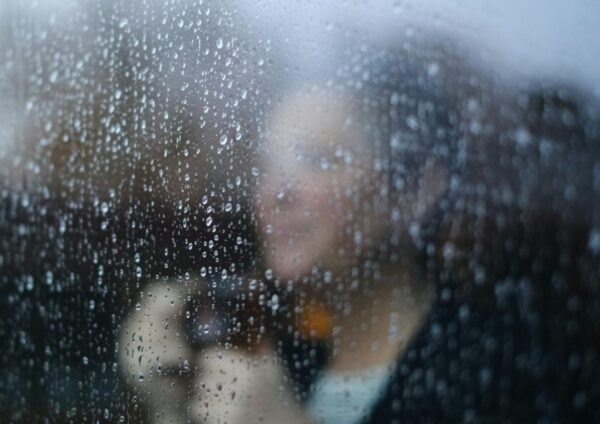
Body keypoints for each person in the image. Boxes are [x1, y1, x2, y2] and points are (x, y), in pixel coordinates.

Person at [119, 35, 600, 423]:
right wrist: (170, 405)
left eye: (317, 160)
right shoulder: (280, 360)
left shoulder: (506, 372)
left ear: (417, 191)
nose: (275, 193)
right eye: (268, 166)